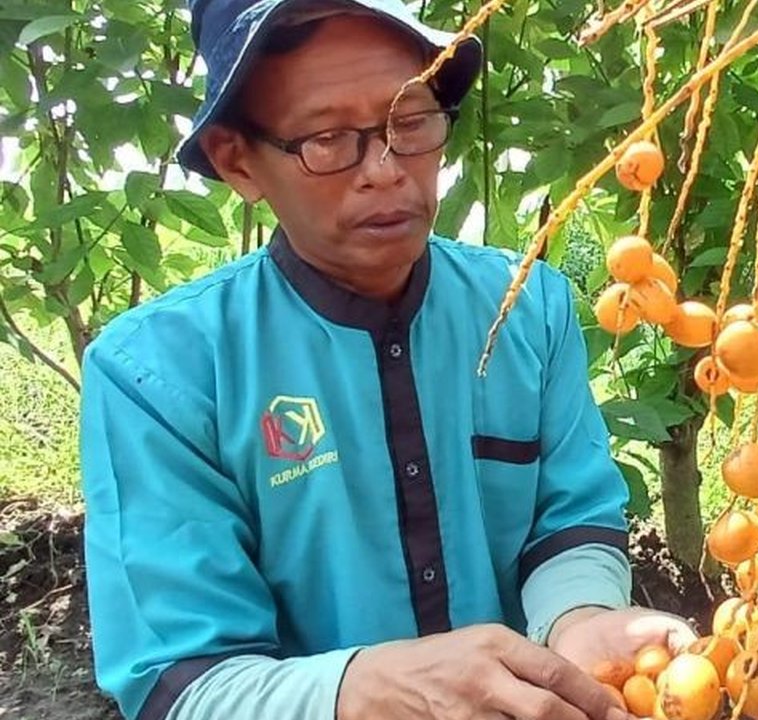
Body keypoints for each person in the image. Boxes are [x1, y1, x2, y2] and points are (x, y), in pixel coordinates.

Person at [78, 1, 696, 719]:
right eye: (328, 138)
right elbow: (182, 684)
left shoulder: (528, 309)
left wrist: (579, 621)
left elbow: (568, 520)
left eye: (411, 122)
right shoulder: (158, 373)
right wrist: (356, 691)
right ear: (236, 159)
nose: (385, 170)